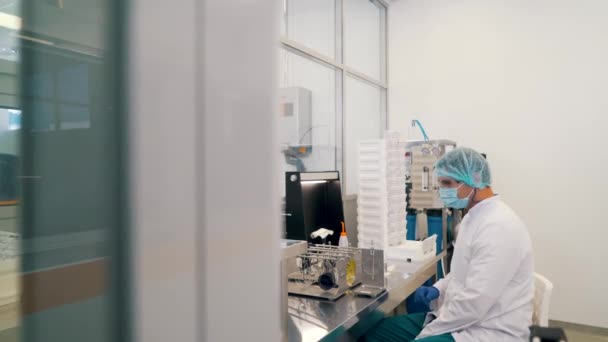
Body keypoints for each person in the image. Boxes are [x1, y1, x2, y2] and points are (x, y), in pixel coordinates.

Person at [361, 147, 534, 342]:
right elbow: (464, 274)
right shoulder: (472, 219)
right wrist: (439, 288)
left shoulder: (499, 228)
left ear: (475, 180)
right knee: (374, 334)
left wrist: (428, 332)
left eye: (447, 183)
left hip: (487, 331)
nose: (442, 190)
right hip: (459, 319)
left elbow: (474, 303)